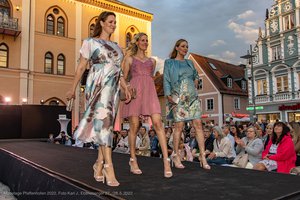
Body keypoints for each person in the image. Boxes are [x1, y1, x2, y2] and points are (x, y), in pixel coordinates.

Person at [66, 11, 131, 187]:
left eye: (115, 22)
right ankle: (109, 167)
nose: (113, 24)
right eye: (110, 21)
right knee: (104, 123)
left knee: (107, 126)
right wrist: (72, 89)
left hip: (114, 88)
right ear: (101, 23)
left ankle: (99, 163)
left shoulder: (118, 47)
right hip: (97, 85)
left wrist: (125, 87)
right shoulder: (90, 42)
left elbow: (119, 71)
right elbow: (80, 67)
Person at [121, 33, 172, 178]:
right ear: (137, 42)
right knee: (134, 126)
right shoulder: (129, 59)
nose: (145, 43)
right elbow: (123, 79)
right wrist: (128, 88)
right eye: (142, 40)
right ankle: (133, 159)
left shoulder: (152, 61)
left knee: (158, 124)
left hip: (150, 94)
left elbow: (150, 78)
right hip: (136, 93)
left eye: (147, 41)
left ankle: (166, 162)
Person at [163, 39, 210, 170]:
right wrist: (168, 95)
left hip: (192, 96)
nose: (185, 48)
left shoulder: (190, 62)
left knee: (198, 125)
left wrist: (195, 80)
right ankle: (176, 155)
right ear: (177, 48)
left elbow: (196, 75)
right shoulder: (169, 62)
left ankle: (202, 156)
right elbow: (166, 79)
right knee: (179, 126)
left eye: (187, 47)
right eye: (183, 46)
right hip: (178, 97)